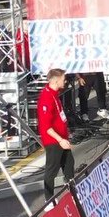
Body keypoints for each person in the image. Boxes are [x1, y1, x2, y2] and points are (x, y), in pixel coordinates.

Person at [38, 68, 75, 199]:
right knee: (52, 170)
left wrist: (66, 132)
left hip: (62, 137)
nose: (65, 81)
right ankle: (49, 199)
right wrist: (60, 140)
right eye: (63, 79)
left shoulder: (54, 94)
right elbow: (46, 127)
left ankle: (73, 192)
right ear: (56, 80)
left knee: (69, 164)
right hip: (54, 141)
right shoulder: (46, 98)